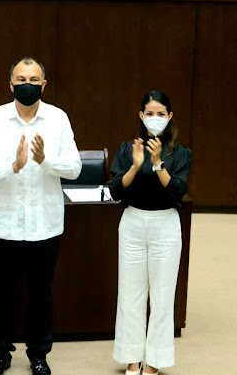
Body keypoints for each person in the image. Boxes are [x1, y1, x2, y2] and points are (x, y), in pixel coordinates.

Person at [0, 57, 81, 375]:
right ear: (11, 84)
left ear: (44, 85)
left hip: (44, 225)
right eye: (21, 79)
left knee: (40, 295)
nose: (27, 84)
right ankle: (0, 353)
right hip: (2, 224)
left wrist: (45, 161)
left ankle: (38, 354)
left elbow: (73, 168)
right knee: (1, 293)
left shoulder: (58, 119)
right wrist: (13, 167)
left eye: (34, 79)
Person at [110, 91, 191, 375]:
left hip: (165, 225)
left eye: (161, 114)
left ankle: (154, 360)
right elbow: (116, 189)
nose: (155, 119)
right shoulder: (127, 149)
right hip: (132, 222)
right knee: (130, 294)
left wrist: (157, 164)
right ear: (141, 116)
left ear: (169, 117)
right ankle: (132, 358)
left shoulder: (180, 153)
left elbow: (178, 190)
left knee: (162, 294)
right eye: (150, 114)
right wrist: (135, 164)